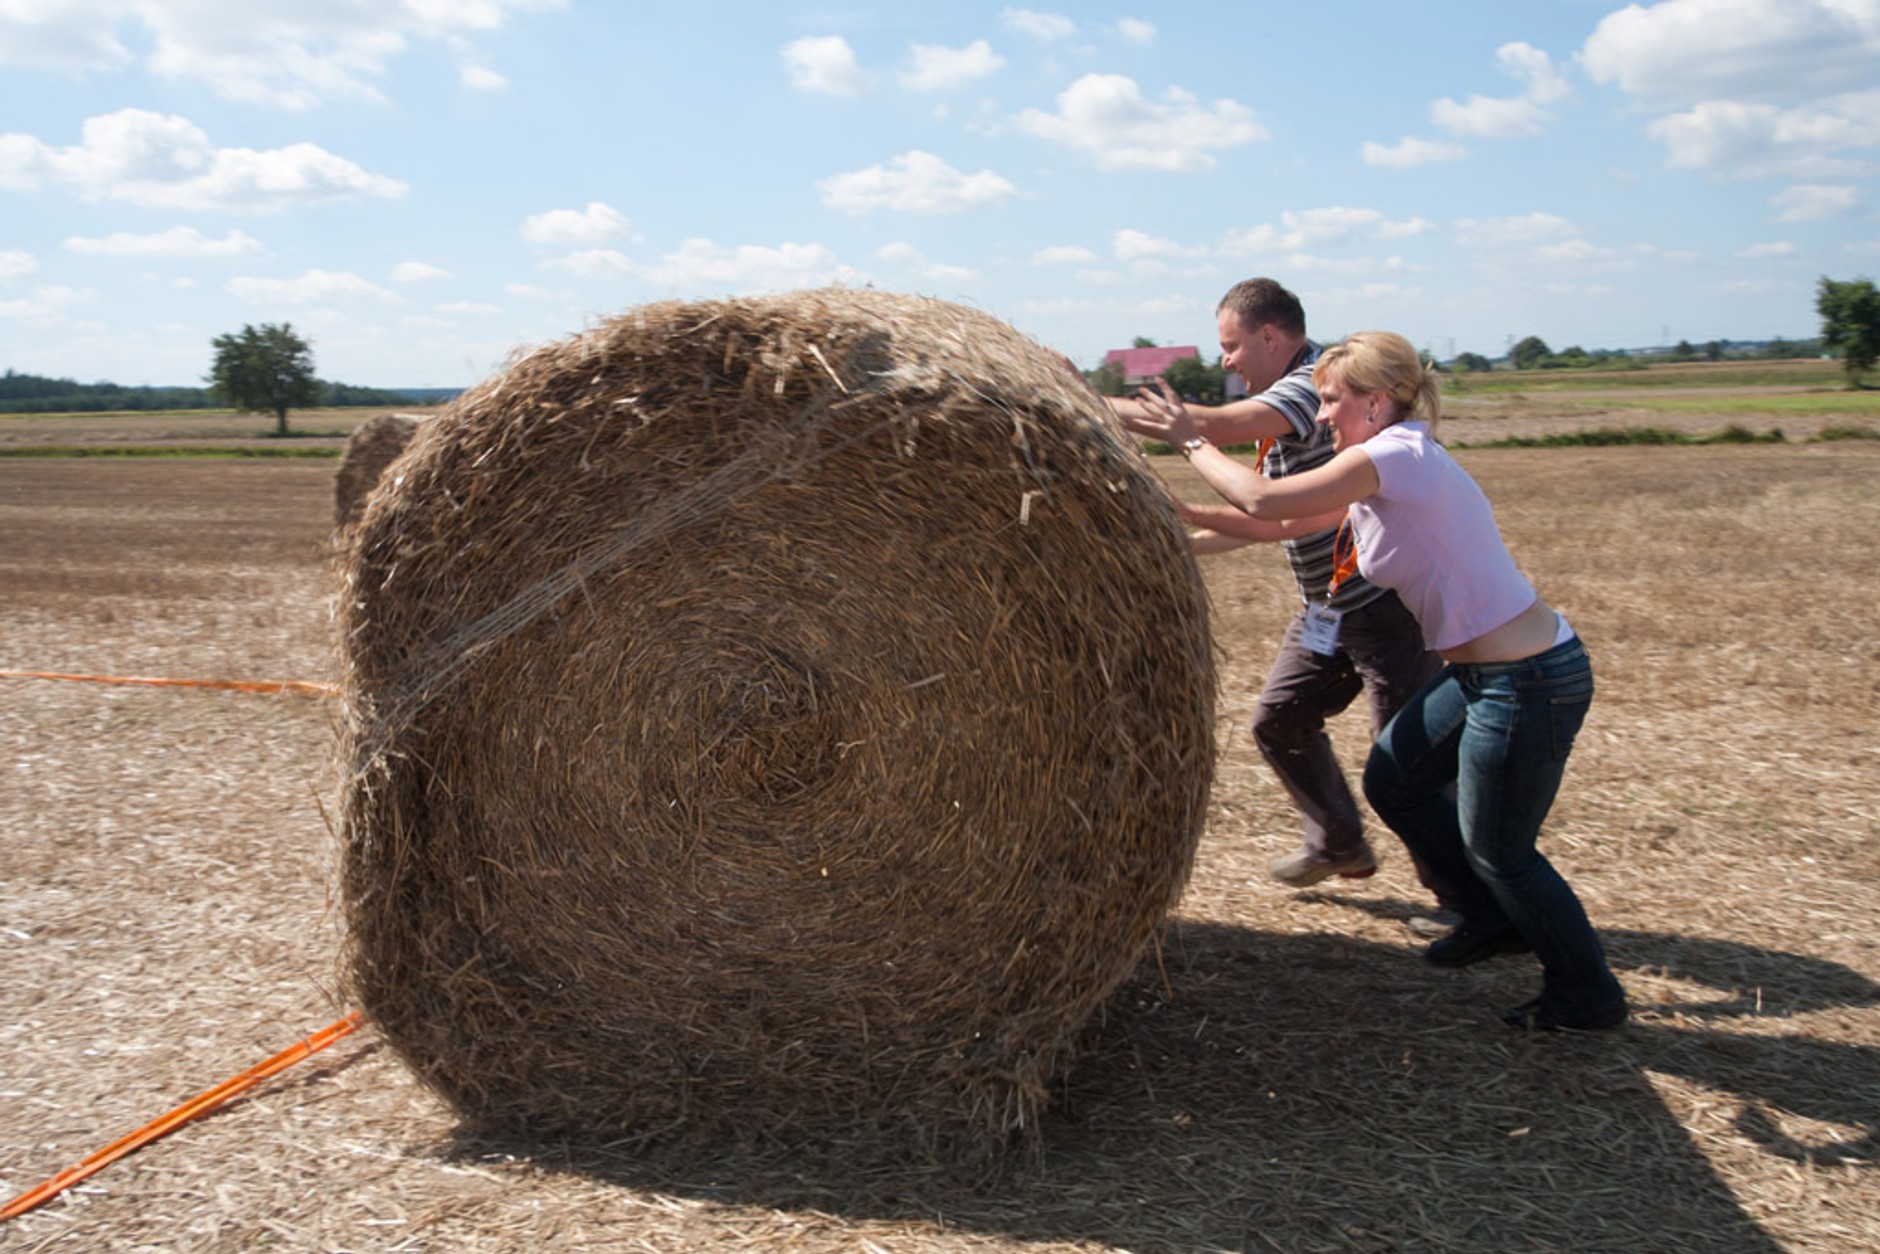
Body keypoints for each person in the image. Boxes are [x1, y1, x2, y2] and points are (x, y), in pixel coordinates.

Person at [1127, 330, 1626, 1032]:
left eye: (1332, 401)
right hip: (1483, 675)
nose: (1322, 415)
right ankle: (1490, 920)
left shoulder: (1398, 455)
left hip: (1530, 678)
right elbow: (1280, 525)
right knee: (1395, 780)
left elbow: (1265, 499)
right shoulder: (1380, 467)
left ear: (1377, 401)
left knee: (1500, 847)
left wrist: (1190, 440)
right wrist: (1167, 521)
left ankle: (1588, 993)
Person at [1111, 280, 1455, 924]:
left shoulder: (1311, 385)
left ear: (1271, 336)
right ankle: (1338, 843)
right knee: (1279, 721)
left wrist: (1075, 401)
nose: (1226, 362)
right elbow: (1277, 523)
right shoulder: (1298, 400)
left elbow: (1216, 429)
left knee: (1403, 762)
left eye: (1232, 346)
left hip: (1385, 610)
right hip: (1327, 608)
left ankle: (1466, 898)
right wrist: (1181, 544)